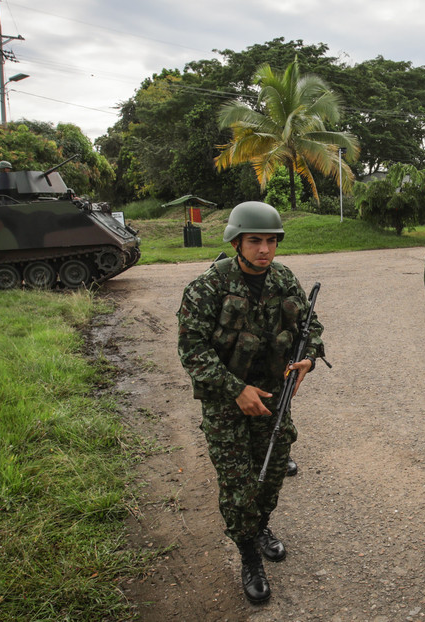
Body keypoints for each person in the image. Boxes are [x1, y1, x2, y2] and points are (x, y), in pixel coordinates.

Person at [177, 201, 325, 604]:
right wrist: (234, 389)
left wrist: (308, 359)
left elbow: (310, 328)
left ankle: (260, 526)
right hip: (227, 402)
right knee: (239, 483)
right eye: (255, 240)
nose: (264, 249)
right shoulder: (209, 286)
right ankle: (247, 554)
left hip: (273, 398)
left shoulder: (284, 280)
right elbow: (191, 349)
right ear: (237, 241)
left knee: (272, 472)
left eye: (271, 241)